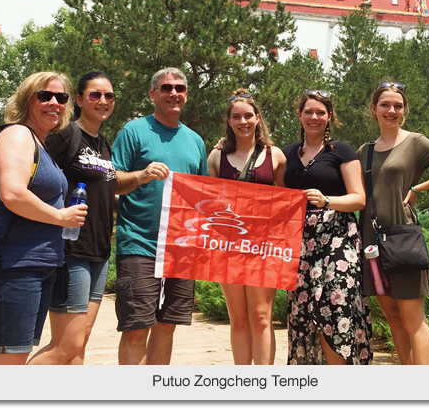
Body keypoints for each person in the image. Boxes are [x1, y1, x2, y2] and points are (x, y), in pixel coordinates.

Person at [0, 71, 88, 365]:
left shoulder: (40, 144)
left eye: (61, 98)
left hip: (37, 265)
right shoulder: (17, 134)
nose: (54, 103)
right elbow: (12, 193)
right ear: (27, 99)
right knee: (6, 366)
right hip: (13, 265)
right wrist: (60, 216)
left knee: (17, 360)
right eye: (45, 96)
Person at [357, 81, 429, 365]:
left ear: (404, 110)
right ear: (373, 109)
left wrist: (417, 189)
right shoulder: (364, 151)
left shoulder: (416, 141)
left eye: (398, 106)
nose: (391, 110)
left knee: (413, 319)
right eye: (385, 105)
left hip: (403, 238)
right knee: (393, 317)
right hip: (372, 241)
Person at [112, 67, 208, 365]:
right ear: (153, 94)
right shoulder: (133, 131)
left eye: (180, 88)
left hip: (182, 249)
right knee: (136, 330)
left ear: (186, 95)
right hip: (140, 245)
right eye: (166, 88)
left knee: (167, 327)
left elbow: (204, 197)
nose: (174, 93)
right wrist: (141, 175)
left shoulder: (196, 141)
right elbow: (110, 180)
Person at [28, 72, 117, 365]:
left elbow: (110, 188)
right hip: (71, 250)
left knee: (81, 341)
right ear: (78, 100)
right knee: (67, 344)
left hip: (99, 251)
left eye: (109, 96)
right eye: (95, 94)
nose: (103, 101)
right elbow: (38, 181)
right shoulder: (66, 136)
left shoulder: (104, 144)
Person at [283, 89, 372, 365]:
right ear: (299, 115)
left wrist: (328, 200)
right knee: (304, 317)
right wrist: (224, 145)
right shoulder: (286, 154)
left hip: (337, 242)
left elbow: (359, 198)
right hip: (300, 245)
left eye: (321, 112)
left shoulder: (341, 151)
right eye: (308, 111)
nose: (314, 117)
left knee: (334, 310)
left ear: (330, 116)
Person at [207, 89, 287, 365]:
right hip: (228, 248)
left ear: (257, 118)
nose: (243, 121)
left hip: (265, 248)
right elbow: (211, 206)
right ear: (228, 121)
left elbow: (287, 203)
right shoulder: (216, 158)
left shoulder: (275, 156)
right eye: (236, 116)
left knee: (262, 317)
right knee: (238, 319)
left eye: (248, 116)